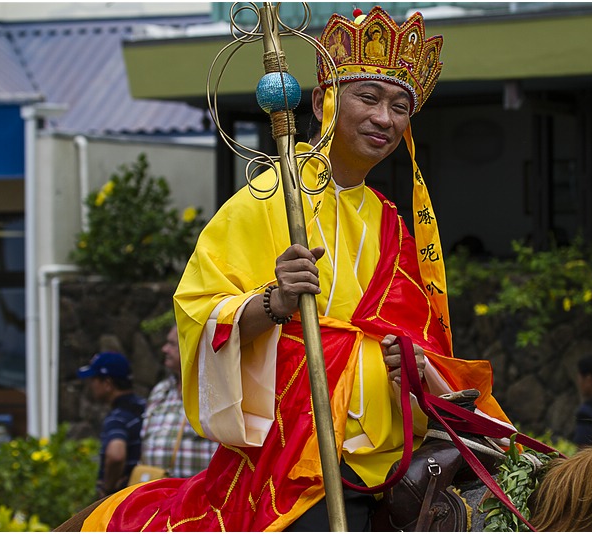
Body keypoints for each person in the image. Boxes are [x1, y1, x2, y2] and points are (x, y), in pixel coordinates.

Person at [78, 7, 514, 531]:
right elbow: (200, 312)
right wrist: (273, 303)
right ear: (323, 99)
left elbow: (422, 342)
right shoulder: (267, 199)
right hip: (295, 452)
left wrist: (415, 367)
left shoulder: (393, 224)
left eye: (401, 106)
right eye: (369, 97)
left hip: (389, 452)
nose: (385, 119)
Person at [139, 325, 218, 477]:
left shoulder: (212, 391)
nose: (164, 349)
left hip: (194, 494)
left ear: (189, 347)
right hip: (157, 492)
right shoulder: (161, 390)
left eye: (172, 344)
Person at [77, 351, 146, 498]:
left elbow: (116, 455)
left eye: (93, 379)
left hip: (125, 497)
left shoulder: (118, 417)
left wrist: (108, 488)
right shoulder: (147, 407)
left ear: (107, 384)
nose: (90, 385)